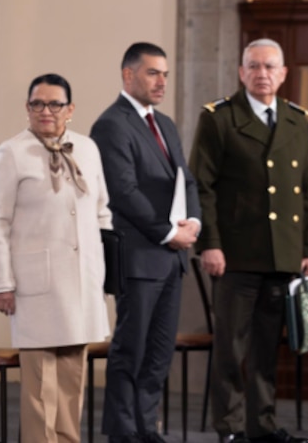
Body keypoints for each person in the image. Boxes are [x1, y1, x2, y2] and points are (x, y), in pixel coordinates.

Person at [190, 38, 308, 443]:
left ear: (283, 74)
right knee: (231, 347)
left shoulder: (298, 119)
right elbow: (202, 186)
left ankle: (262, 424)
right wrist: (209, 242)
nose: (261, 74)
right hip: (235, 254)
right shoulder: (219, 118)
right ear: (241, 72)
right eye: (253, 66)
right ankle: (229, 427)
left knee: (268, 348)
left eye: (269, 67)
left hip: (283, 254)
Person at [0, 73, 112, 443]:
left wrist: (103, 272)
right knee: (40, 388)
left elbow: (102, 213)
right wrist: (2, 283)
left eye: (55, 104)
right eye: (37, 103)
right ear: (27, 108)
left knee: (73, 379)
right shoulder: (12, 153)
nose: (46, 111)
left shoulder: (87, 149)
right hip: (35, 282)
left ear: (70, 109)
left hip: (82, 283)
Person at [91, 42, 201, 443]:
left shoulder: (165, 123)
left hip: (171, 259)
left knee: (158, 353)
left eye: (165, 74)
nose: (162, 82)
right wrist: (169, 233)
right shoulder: (112, 124)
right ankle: (122, 432)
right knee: (131, 350)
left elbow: (185, 180)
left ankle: (145, 427)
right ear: (128, 75)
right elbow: (123, 191)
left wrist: (194, 224)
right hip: (139, 257)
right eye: (153, 73)